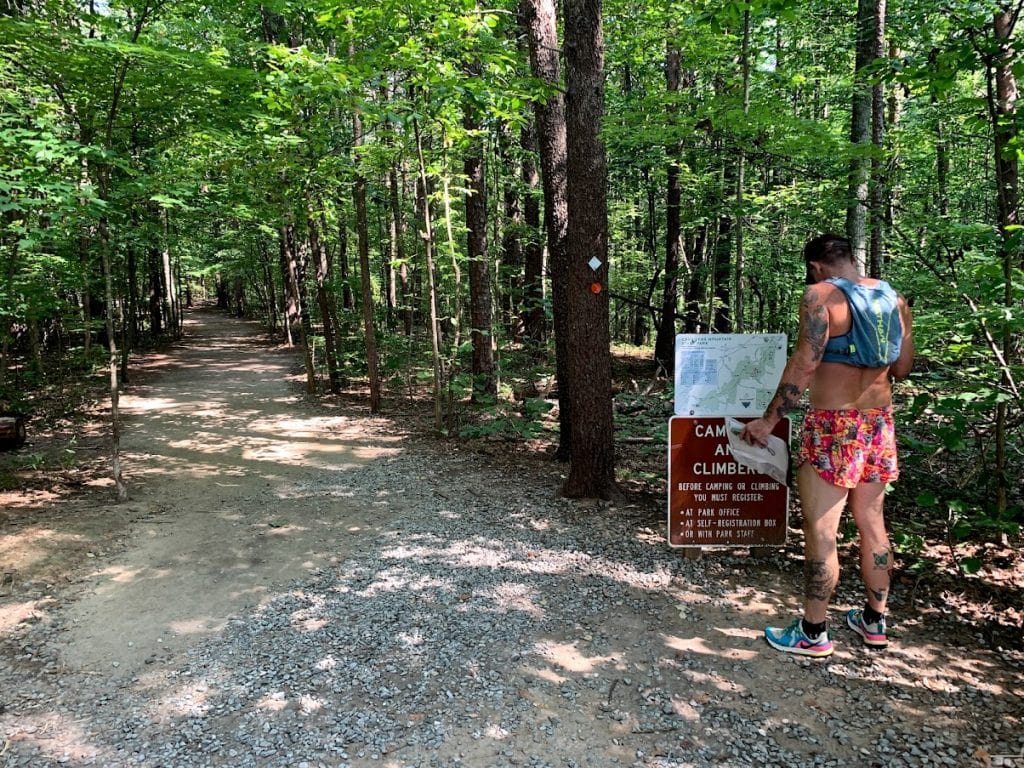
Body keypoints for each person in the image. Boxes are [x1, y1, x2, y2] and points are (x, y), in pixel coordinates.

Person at [740, 233, 914, 658]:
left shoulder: (819, 296)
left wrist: (769, 420)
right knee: (874, 525)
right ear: (851, 259)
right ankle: (875, 621)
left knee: (822, 531)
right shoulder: (895, 299)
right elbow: (904, 368)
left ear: (816, 266)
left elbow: (805, 362)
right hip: (878, 424)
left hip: (834, 426)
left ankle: (813, 631)